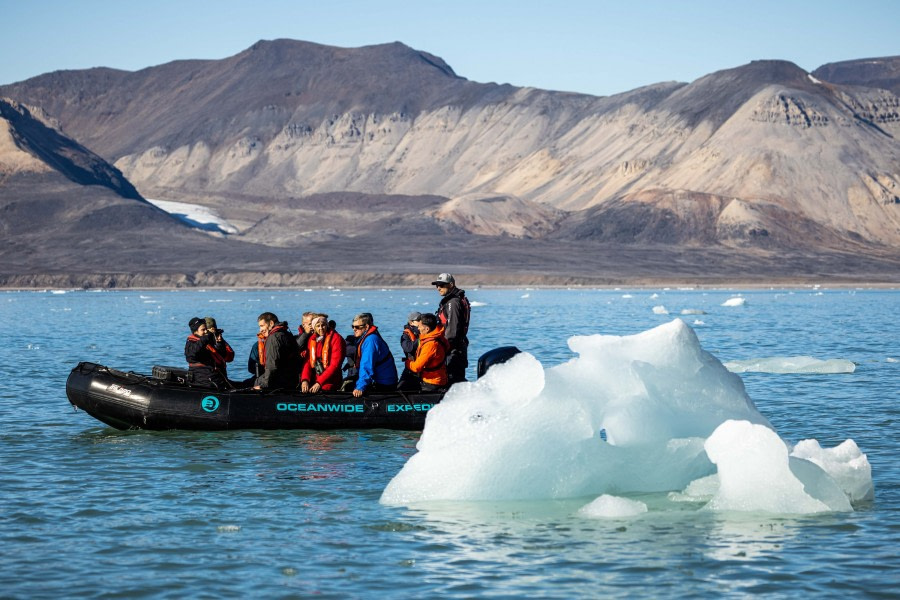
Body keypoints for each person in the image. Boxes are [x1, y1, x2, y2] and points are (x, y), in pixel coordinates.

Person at [432, 272, 471, 384]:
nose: (438, 288)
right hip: (454, 348)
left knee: (453, 380)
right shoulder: (452, 300)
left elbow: (452, 331)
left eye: (442, 285)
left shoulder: (453, 302)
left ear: (451, 285)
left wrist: (443, 348)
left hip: (453, 349)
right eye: (437, 285)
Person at [351, 312, 398, 397]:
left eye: (357, 327)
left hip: (384, 383)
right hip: (379, 379)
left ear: (366, 327)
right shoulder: (366, 338)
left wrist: (360, 387)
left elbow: (367, 365)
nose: (354, 329)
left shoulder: (371, 341)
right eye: (353, 326)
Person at [253, 312, 301, 390]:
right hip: (291, 378)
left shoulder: (273, 338)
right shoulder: (286, 333)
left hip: (281, 381)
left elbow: (272, 365)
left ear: (271, 323)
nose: (260, 330)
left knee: (256, 382)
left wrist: (264, 385)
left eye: (262, 326)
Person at [300, 315, 346, 393]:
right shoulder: (312, 339)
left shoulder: (336, 339)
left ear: (327, 325)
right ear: (314, 327)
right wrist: (305, 380)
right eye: (318, 326)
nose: (321, 328)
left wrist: (319, 382)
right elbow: (308, 361)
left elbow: (335, 365)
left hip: (331, 383)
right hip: (315, 382)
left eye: (323, 325)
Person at [407, 313, 450, 392]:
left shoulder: (431, 344)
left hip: (432, 382)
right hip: (438, 377)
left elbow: (416, 367)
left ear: (427, 329)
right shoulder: (438, 337)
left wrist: (408, 362)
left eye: (419, 326)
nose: (418, 328)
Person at [184, 317, 230, 389]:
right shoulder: (191, 342)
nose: (206, 331)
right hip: (204, 381)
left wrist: (219, 343)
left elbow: (224, 356)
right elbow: (193, 353)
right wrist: (207, 336)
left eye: (206, 329)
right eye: (203, 330)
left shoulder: (207, 340)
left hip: (216, 379)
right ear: (195, 331)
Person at [397, 311, 421, 391]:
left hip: (423, 366)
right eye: (418, 320)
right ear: (411, 322)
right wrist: (421, 341)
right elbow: (408, 348)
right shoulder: (405, 335)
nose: (421, 321)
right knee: (401, 388)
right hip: (411, 366)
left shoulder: (425, 332)